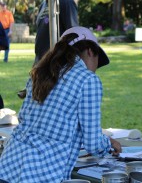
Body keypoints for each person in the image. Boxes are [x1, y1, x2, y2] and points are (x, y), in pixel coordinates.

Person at [0, 26, 121, 182]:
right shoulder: (88, 80)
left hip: (8, 165)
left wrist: (106, 140)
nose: (96, 69)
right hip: (41, 174)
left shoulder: (41, 74)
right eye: (98, 62)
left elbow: (39, 125)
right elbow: (93, 144)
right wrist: (109, 146)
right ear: (91, 51)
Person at [18, 0, 79, 99]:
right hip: (41, 69)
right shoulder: (42, 5)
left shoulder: (65, 1)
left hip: (57, 72)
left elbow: (74, 36)